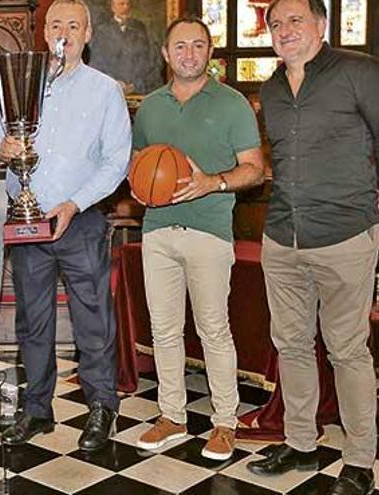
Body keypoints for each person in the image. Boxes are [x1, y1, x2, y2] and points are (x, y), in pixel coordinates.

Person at [245, 0, 379, 493]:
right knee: (291, 345)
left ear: (321, 24)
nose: (284, 30)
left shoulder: (359, 71)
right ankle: (300, 444)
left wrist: (373, 203)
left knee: (346, 350)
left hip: (345, 236)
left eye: (295, 20)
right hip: (282, 235)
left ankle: (359, 460)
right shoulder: (271, 88)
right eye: (275, 24)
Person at [0, 0, 131, 452]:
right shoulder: (19, 82)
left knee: (93, 321)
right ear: (44, 33)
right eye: (55, 24)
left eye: (73, 24)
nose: (63, 31)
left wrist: (75, 203)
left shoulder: (105, 90)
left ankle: (102, 407)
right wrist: (4, 147)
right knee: (33, 321)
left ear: (87, 34)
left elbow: (117, 161)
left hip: (79, 220)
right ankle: (37, 409)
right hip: (27, 222)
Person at [131, 16, 264, 461]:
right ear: (166, 55)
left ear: (210, 53)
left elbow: (255, 168)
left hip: (209, 231)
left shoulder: (233, 104)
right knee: (164, 330)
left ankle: (225, 422)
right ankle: (172, 415)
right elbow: (140, 164)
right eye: (180, 47)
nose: (189, 53)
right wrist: (136, 185)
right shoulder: (150, 107)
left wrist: (213, 182)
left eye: (198, 45)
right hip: (157, 231)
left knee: (213, 329)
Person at [88, 0, 162, 94]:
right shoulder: (102, 30)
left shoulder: (139, 27)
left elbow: (147, 59)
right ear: (113, 7)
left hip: (138, 90)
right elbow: (96, 63)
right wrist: (115, 82)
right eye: (121, 4)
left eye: (128, 4)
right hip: (109, 89)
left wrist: (135, 85)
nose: (125, 7)